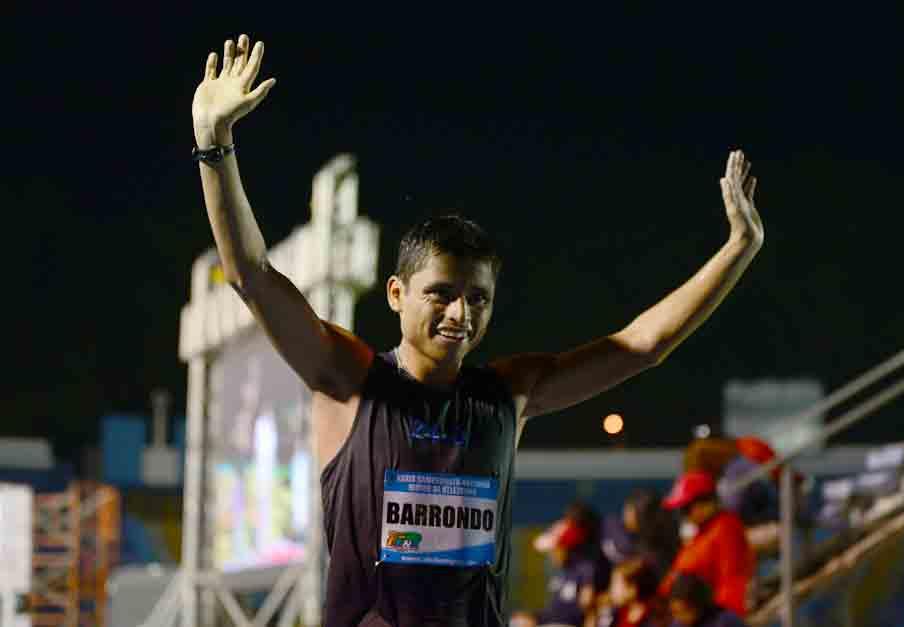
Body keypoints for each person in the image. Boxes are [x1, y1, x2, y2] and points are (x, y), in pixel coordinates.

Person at [190, 33, 765, 627]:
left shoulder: (506, 395)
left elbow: (645, 344)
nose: (460, 315)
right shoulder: (350, 378)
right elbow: (252, 275)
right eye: (441, 294)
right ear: (396, 294)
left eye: (478, 299)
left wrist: (739, 250)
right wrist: (214, 145)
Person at [658, 472, 755, 617]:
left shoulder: (726, 528)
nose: (685, 515)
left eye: (686, 508)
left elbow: (732, 582)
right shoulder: (702, 531)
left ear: (707, 502)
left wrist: (723, 620)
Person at [667, 574, 747, 627]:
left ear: (699, 605)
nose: (679, 618)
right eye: (675, 612)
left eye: (684, 612)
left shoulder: (725, 621)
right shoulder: (678, 624)